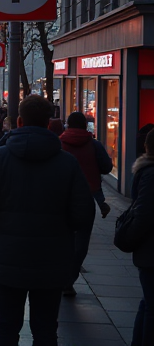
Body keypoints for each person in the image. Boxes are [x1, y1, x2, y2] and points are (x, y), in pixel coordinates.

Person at [0, 95, 94, 346]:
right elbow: (83, 213)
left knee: (5, 327)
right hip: (52, 259)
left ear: (18, 121)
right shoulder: (67, 163)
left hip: (7, 257)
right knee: (46, 329)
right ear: (49, 123)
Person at [60, 111, 114, 297]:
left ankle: (58, 275)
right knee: (80, 243)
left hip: (61, 199)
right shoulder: (94, 144)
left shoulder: (58, 143)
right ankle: (69, 281)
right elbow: (107, 167)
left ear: (67, 124)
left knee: (59, 238)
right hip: (86, 199)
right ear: (85, 126)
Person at [125, 131, 154, 346]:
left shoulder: (144, 171)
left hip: (147, 248)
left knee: (148, 302)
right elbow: (144, 213)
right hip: (150, 248)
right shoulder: (151, 174)